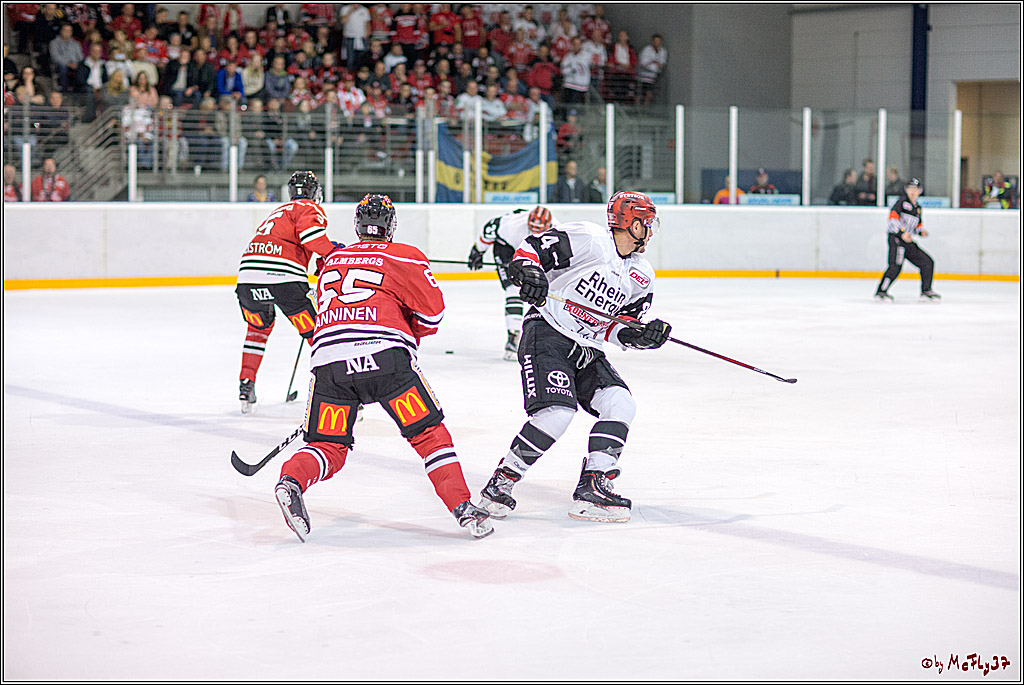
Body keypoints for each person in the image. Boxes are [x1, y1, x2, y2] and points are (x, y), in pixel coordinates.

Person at [272, 194, 495, 542]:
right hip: (385, 359)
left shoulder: (333, 260)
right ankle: (464, 508)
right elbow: (432, 314)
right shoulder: (405, 255)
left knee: (328, 445)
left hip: (329, 365)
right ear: (391, 226)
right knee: (428, 434)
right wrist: (406, 328)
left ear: (358, 227)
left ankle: (291, 481)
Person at [477, 191, 671, 523]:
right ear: (630, 222)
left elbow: (616, 328)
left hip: (587, 348)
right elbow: (530, 251)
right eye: (646, 223)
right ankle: (501, 483)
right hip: (548, 332)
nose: (650, 232)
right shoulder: (589, 239)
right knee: (557, 413)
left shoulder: (642, 275)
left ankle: (594, 484)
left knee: (620, 403)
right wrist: (530, 274)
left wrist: (641, 336)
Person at [235, 171, 338, 414]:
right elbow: (311, 237)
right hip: (284, 281)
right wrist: (334, 252)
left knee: (257, 329)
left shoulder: (277, 211)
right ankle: (336, 388)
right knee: (317, 333)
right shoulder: (308, 207)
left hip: (248, 283)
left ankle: (246, 384)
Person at [466, 206, 557, 360]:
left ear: (549, 226)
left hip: (532, 252)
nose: (535, 231)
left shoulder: (557, 230)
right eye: (532, 228)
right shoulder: (511, 225)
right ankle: (513, 337)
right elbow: (490, 228)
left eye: (539, 229)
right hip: (506, 250)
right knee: (513, 289)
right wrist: (478, 250)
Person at [874, 178, 940, 302]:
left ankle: (926, 290)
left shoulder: (918, 208)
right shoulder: (901, 203)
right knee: (895, 266)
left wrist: (921, 232)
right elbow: (893, 220)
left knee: (927, 262)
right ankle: (881, 291)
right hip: (897, 239)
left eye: (915, 189)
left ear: (920, 191)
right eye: (910, 189)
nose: (912, 192)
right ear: (906, 190)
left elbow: (916, 226)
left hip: (907, 241)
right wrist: (901, 233)